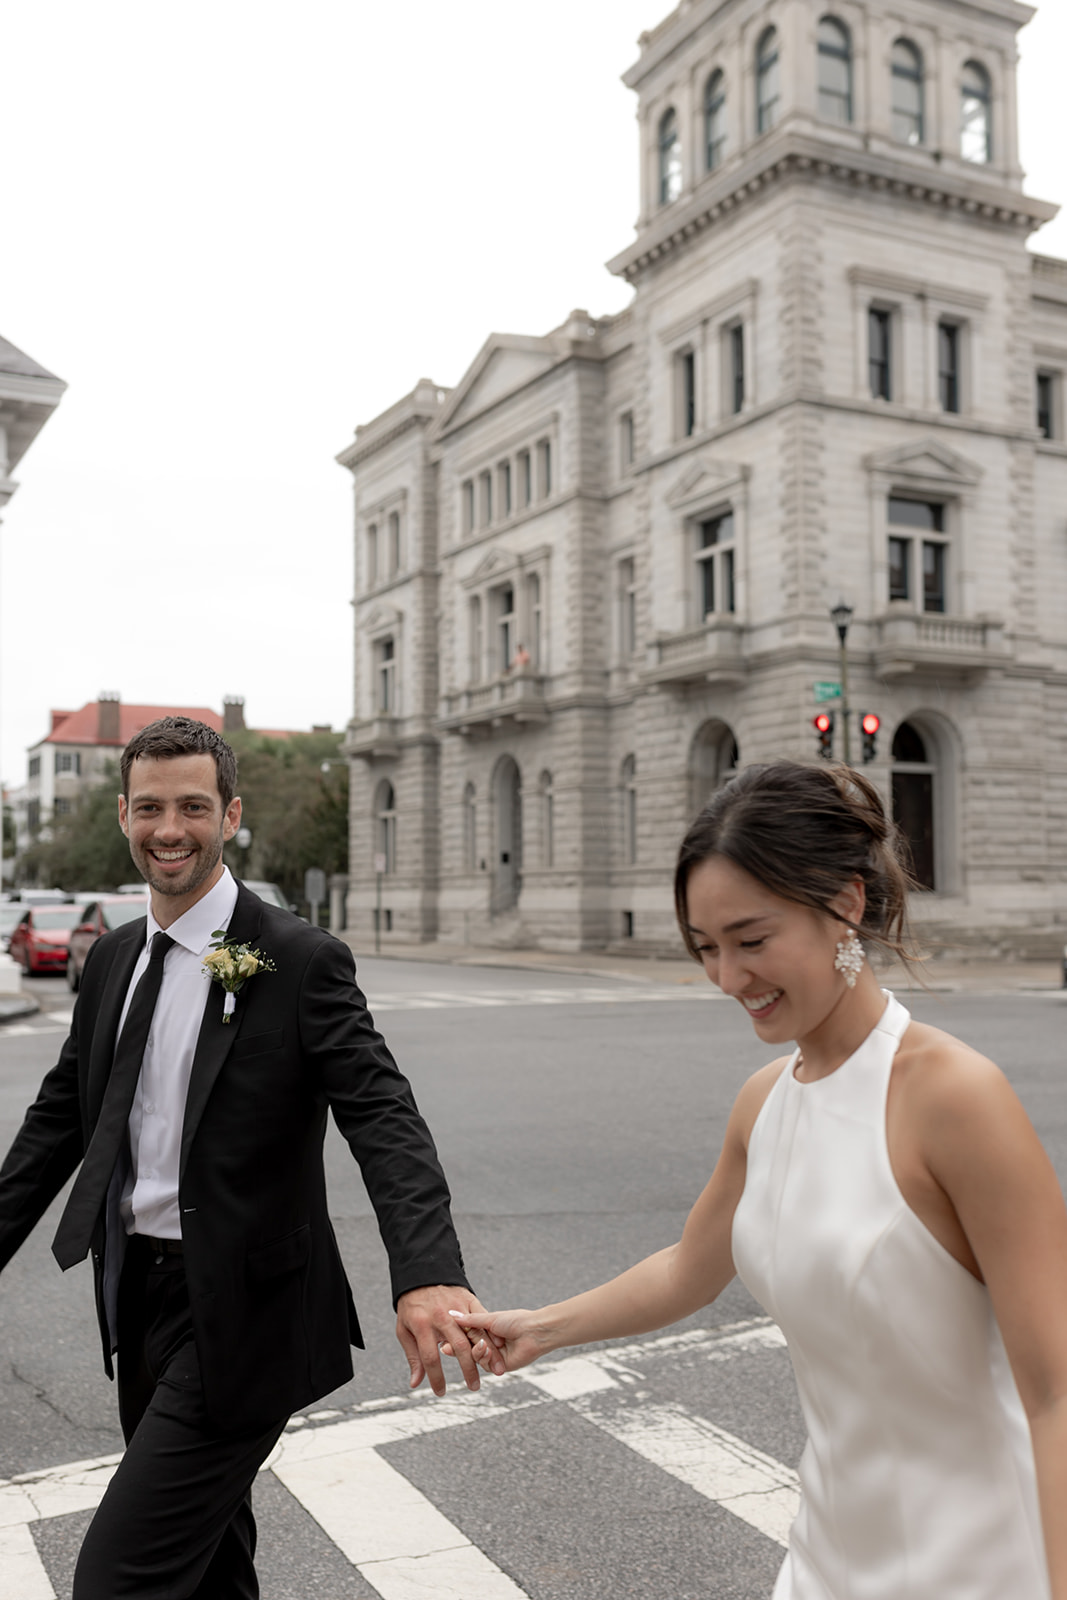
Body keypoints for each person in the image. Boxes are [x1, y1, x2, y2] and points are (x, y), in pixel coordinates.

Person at [451, 761, 1067, 1599]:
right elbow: (690, 1269)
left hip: (983, 1561)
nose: (727, 979)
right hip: (827, 1553)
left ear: (845, 903)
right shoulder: (766, 1101)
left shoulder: (954, 1095)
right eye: (705, 948)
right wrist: (543, 1328)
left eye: (751, 940)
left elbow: (1054, 1389)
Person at [0, 717, 497, 1599]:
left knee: (119, 1577)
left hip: (246, 1311)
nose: (169, 828)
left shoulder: (298, 958)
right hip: (138, 1295)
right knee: (208, 1563)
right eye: (150, 807)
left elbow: (384, 1116)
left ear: (230, 815)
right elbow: (56, 1124)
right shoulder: (114, 959)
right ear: (122, 814)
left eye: (193, 806)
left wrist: (425, 1272)